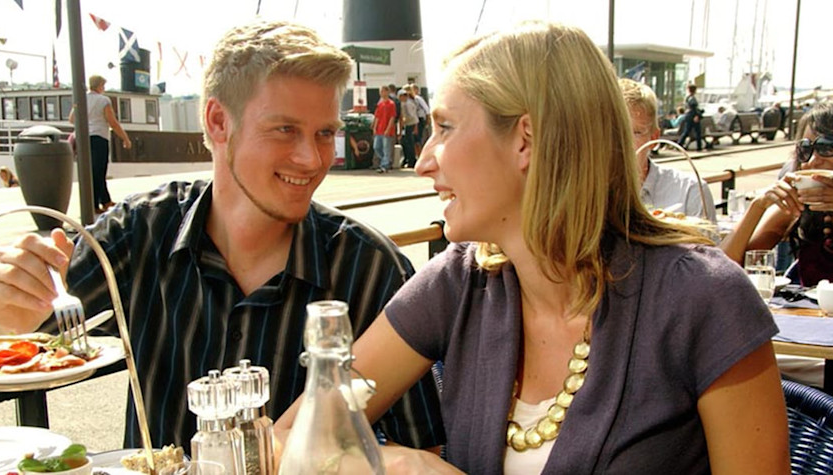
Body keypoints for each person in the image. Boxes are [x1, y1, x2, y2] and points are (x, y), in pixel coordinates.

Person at [280, 21, 789, 473]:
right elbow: (291, 438)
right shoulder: (460, 281)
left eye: (445, 128)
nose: (424, 161)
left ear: (526, 138)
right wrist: (400, 461)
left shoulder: (702, 298)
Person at [0, 20, 443, 453]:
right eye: (285, 130)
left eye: (323, 133)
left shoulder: (372, 267)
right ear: (216, 121)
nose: (312, 160)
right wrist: (4, 311)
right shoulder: (141, 231)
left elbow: (425, 447)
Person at [720, 95, 833, 286]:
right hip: (809, 316)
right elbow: (724, 272)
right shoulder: (801, 205)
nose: (813, 161)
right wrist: (758, 206)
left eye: (828, 146)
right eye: (805, 149)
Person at [619, 78, 717, 222]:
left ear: (653, 138)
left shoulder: (689, 191)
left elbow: (708, 243)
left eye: (636, 133)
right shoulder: (586, 195)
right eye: (611, 132)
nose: (622, 143)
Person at [69, 75, 132, 214]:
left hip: (84, 139)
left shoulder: (81, 98)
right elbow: (112, 122)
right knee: (99, 170)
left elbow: (72, 119)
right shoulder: (103, 100)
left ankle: (97, 202)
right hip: (99, 137)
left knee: (90, 172)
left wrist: (86, 124)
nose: (104, 88)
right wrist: (125, 138)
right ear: (99, 86)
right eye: (103, 85)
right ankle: (103, 202)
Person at [372, 85, 397, 173]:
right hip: (379, 129)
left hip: (386, 129)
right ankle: (385, 160)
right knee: (376, 147)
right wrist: (374, 127)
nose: (381, 93)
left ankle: (384, 165)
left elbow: (392, 117)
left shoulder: (391, 104)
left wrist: (388, 128)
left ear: (387, 92)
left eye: (383, 91)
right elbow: (377, 117)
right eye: (380, 91)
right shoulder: (380, 104)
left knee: (386, 148)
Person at [678, 83, 703, 151]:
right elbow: (694, 107)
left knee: (687, 131)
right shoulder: (692, 98)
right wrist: (697, 115)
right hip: (693, 116)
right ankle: (699, 147)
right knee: (697, 132)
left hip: (688, 115)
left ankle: (680, 143)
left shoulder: (687, 97)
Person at [398, 88, 419, 168]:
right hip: (408, 124)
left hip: (410, 124)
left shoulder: (408, 104)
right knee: (407, 142)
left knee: (409, 143)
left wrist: (404, 121)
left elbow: (412, 115)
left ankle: (412, 160)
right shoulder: (404, 103)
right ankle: (409, 159)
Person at [409, 83, 431, 150]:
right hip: (416, 119)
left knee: (418, 138)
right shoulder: (413, 99)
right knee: (416, 138)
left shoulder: (418, 98)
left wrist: (427, 120)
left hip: (420, 119)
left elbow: (426, 109)